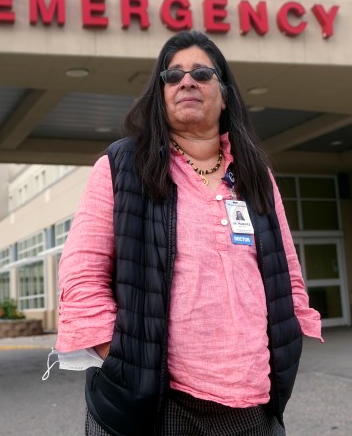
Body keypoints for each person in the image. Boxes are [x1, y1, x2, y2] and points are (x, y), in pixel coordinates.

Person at [55, 30, 323, 435]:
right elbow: (82, 272)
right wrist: (121, 358)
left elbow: (287, 270)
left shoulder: (255, 176)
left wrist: (288, 342)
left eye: (201, 72)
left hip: (252, 401)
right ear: (159, 93)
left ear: (226, 93)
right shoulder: (121, 166)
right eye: (173, 75)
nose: (187, 81)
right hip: (155, 402)